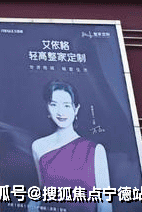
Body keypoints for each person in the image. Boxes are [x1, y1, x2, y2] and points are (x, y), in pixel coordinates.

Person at [29, 80, 111, 212]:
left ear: (76, 109)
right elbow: (42, 190)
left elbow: (105, 203)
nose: (60, 112)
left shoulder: (95, 150)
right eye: (54, 105)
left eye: (66, 105)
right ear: (47, 107)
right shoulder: (38, 146)